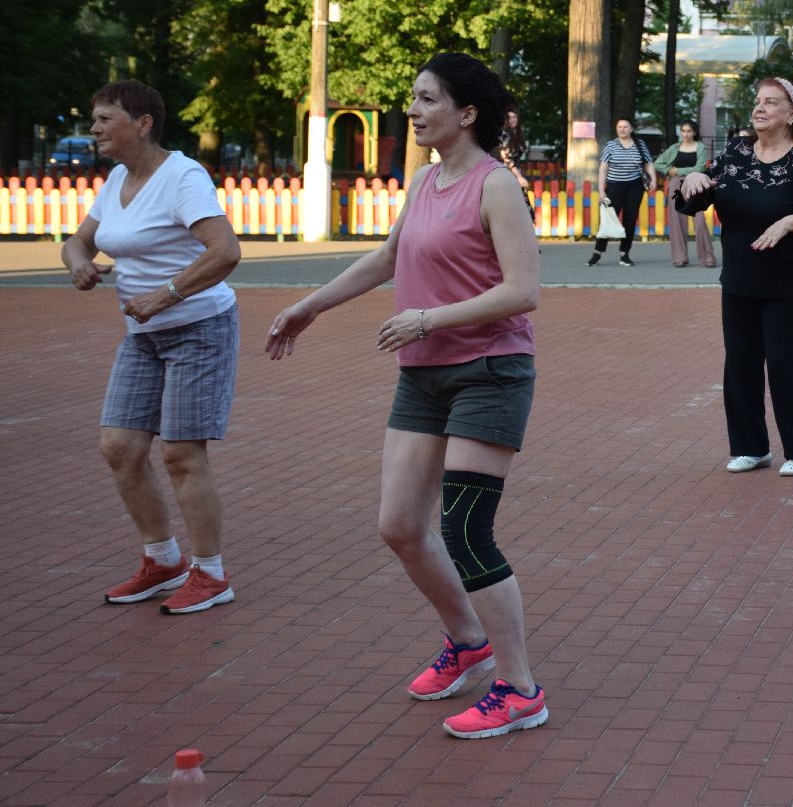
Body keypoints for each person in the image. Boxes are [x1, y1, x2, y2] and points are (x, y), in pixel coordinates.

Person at [266, 52, 547, 740]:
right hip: (423, 376)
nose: (414, 110)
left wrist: (429, 318)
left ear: (467, 113)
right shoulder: (424, 180)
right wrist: (311, 306)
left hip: (490, 371)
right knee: (399, 526)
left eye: (426, 99)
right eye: (413, 97)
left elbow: (522, 291)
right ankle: (468, 641)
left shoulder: (495, 186)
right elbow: (389, 258)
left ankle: (520, 689)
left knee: (466, 530)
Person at [62, 80, 243, 615]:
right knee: (119, 447)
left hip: (198, 327)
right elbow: (78, 240)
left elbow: (226, 251)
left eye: (104, 118)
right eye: (93, 118)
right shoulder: (118, 177)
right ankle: (162, 560)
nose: (94, 128)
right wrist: (78, 264)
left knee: (182, 453)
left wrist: (165, 295)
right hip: (142, 335)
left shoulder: (182, 176)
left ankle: (210, 574)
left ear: (142, 123)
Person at [674, 77, 793, 476]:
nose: (760, 108)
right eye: (757, 101)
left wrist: (791, 220)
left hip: (789, 281)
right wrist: (691, 181)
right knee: (741, 365)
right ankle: (751, 447)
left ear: (792, 112)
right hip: (739, 278)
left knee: (786, 364)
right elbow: (694, 199)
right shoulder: (734, 153)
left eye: (771, 102)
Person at [590, 119, 656, 266]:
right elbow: (603, 168)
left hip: (635, 187)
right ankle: (597, 253)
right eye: (619, 126)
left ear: (631, 129)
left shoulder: (640, 144)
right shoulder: (611, 145)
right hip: (614, 187)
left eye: (625, 126)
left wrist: (654, 179)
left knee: (630, 220)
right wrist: (601, 191)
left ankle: (624, 254)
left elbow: (648, 163)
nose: (622, 129)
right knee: (608, 219)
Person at [654, 121, 716, 268]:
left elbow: (700, 167)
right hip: (676, 184)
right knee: (676, 220)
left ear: (694, 132)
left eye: (689, 131)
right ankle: (679, 257)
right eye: (683, 131)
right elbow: (657, 163)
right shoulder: (675, 148)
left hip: (696, 182)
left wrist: (679, 170)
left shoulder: (700, 148)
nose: (685, 134)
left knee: (699, 220)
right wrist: (669, 170)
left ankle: (707, 257)